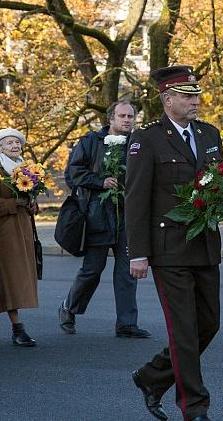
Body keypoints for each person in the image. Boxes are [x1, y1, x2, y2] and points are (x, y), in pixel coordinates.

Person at [126, 65, 223, 421]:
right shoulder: (147, 138)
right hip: (168, 249)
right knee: (183, 329)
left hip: (205, 245)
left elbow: (219, 182)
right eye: (186, 95)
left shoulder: (210, 133)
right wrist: (138, 253)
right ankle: (194, 407)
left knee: (209, 323)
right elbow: (136, 200)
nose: (194, 101)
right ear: (167, 99)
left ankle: (152, 377)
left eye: (196, 94)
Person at [58, 101, 150, 338]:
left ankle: (126, 324)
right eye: (122, 115)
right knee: (92, 270)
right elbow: (73, 173)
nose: (127, 120)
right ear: (111, 118)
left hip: (128, 218)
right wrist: (100, 182)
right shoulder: (91, 141)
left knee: (127, 272)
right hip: (97, 216)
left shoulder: (139, 143)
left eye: (131, 116)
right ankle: (68, 307)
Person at [0, 129, 38, 347]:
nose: (15, 146)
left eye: (17, 142)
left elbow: (28, 196)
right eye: (9, 143)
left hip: (22, 229)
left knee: (12, 280)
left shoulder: (25, 168)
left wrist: (32, 203)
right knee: (8, 279)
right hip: (1, 232)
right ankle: (17, 329)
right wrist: (17, 204)